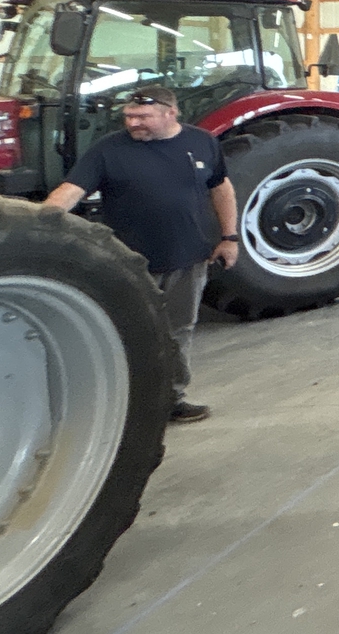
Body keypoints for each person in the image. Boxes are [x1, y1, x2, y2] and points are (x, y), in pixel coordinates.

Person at [43, 84, 239, 424]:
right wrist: (40, 221)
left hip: (188, 258)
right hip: (130, 263)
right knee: (124, 333)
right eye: (129, 117)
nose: (133, 124)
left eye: (142, 117)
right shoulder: (108, 150)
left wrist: (229, 237)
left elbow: (220, 187)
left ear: (170, 113)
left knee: (179, 331)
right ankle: (123, 405)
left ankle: (172, 398)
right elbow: (70, 191)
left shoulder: (202, 142)